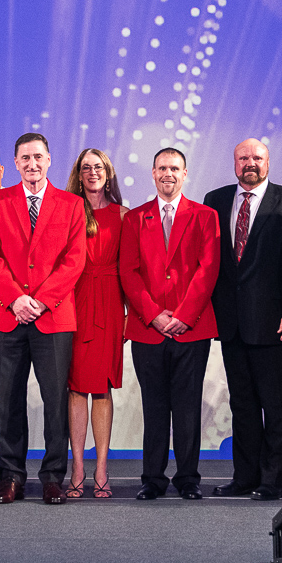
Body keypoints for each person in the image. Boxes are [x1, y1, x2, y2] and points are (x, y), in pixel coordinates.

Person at [0, 132, 88, 505]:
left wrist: (39, 301)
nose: (32, 164)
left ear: (50, 159)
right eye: (25, 158)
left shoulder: (72, 204)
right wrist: (16, 299)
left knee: (55, 400)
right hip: (6, 316)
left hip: (53, 317)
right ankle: (11, 475)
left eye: (38, 157)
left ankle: (53, 476)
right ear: (15, 163)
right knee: (7, 400)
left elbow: (75, 260)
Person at [121, 148, 220, 501]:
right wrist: (154, 314)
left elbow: (208, 270)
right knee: (155, 407)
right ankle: (152, 478)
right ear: (152, 173)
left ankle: (188, 478)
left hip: (191, 327)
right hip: (148, 329)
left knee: (188, 406)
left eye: (174, 168)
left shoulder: (206, 216)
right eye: (162, 167)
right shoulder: (134, 219)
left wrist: (182, 316)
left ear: (185, 173)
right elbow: (128, 273)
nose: (168, 174)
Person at [206, 138, 282, 501]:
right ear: (234, 162)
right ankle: (244, 477)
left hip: (275, 322)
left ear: (268, 162)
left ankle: (273, 480)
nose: (250, 163)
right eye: (243, 157)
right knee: (241, 404)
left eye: (257, 157)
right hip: (231, 323)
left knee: (277, 406)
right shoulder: (215, 200)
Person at [65, 147, 126, 499]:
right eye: (86, 167)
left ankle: (102, 466)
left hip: (109, 304)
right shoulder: (67, 209)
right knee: (75, 387)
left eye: (98, 167)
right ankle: (77, 467)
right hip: (73, 301)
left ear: (108, 172)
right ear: (78, 173)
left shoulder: (124, 214)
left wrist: (131, 311)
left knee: (102, 387)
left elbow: (132, 266)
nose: (92, 172)